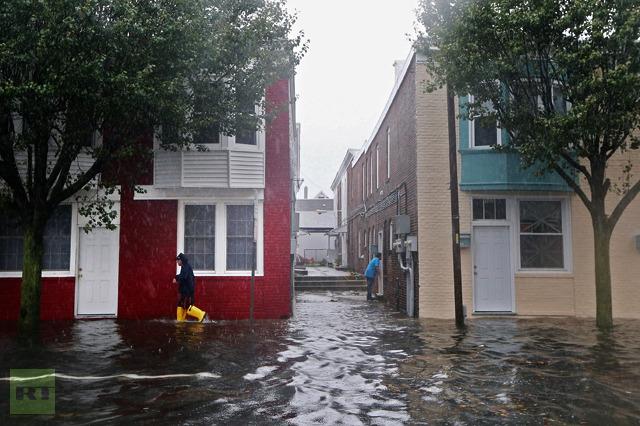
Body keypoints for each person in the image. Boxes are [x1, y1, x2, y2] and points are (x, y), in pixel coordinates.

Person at [173, 253, 207, 322]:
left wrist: (176, 278)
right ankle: (180, 320)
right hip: (185, 291)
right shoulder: (185, 266)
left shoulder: (186, 267)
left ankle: (201, 314)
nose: (177, 262)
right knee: (181, 305)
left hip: (187, 291)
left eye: (177, 260)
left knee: (187, 306)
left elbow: (183, 276)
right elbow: (183, 275)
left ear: (181, 260)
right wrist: (177, 277)